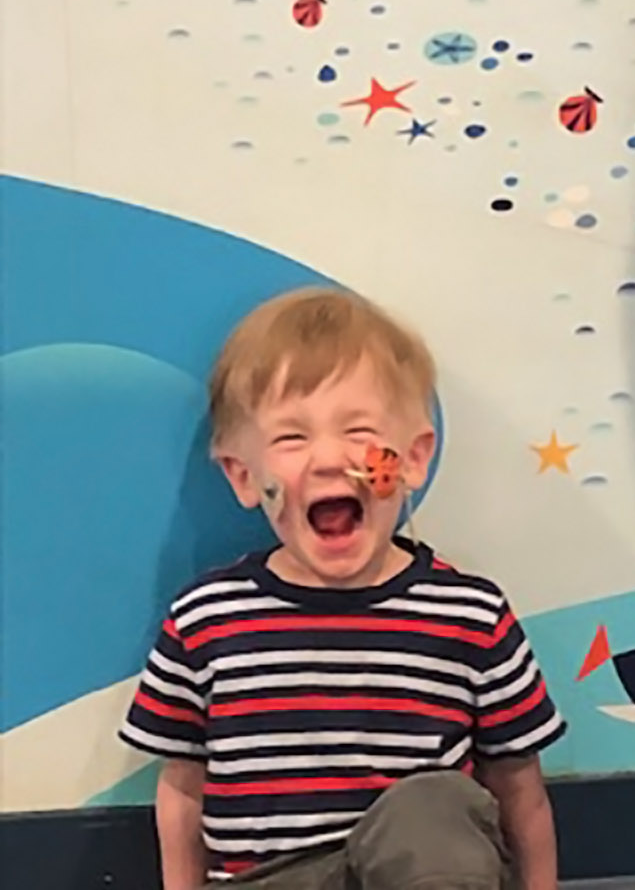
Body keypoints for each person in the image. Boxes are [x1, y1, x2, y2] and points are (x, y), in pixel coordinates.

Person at [118, 288, 565, 889]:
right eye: (291, 439)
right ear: (244, 476)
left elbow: (521, 791)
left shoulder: (470, 614)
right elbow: (181, 791)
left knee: (436, 808)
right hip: (268, 878)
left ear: (413, 459)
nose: (330, 459)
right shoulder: (208, 620)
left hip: (420, 871)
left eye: (358, 431)